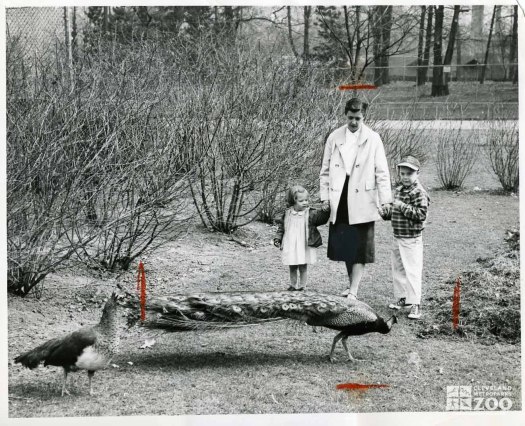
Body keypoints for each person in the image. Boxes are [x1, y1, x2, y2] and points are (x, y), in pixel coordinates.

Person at [320, 98, 392, 300]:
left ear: (364, 117)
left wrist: (386, 201)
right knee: (345, 245)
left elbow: (382, 172)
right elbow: (324, 171)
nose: (353, 122)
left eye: (358, 118)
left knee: (360, 246)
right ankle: (351, 284)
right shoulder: (334, 137)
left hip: (364, 197)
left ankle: (354, 290)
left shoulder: (373, 138)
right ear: (345, 114)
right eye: (350, 117)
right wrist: (325, 197)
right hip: (340, 195)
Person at [379, 155, 430, 320]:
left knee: (412, 271)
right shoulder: (399, 190)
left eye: (409, 173)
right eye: (403, 174)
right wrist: (386, 214)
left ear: (417, 174)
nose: (406, 177)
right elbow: (396, 213)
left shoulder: (419, 192)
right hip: (398, 236)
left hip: (412, 238)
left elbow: (421, 214)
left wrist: (401, 206)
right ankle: (403, 298)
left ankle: (415, 304)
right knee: (398, 269)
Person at [274, 185, 330, 291]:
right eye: (301, 200)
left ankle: (302, 286)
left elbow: (321, 219)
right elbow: (281, 228)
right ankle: (292, 285)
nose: (305, 202)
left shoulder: (310, 213)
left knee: (303, 265)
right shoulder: (287, 214)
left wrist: (325, 211)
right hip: (291, 244)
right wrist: (278, 238)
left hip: (303, 244)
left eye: (306, 200)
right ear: (293, 201)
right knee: (292, 265)